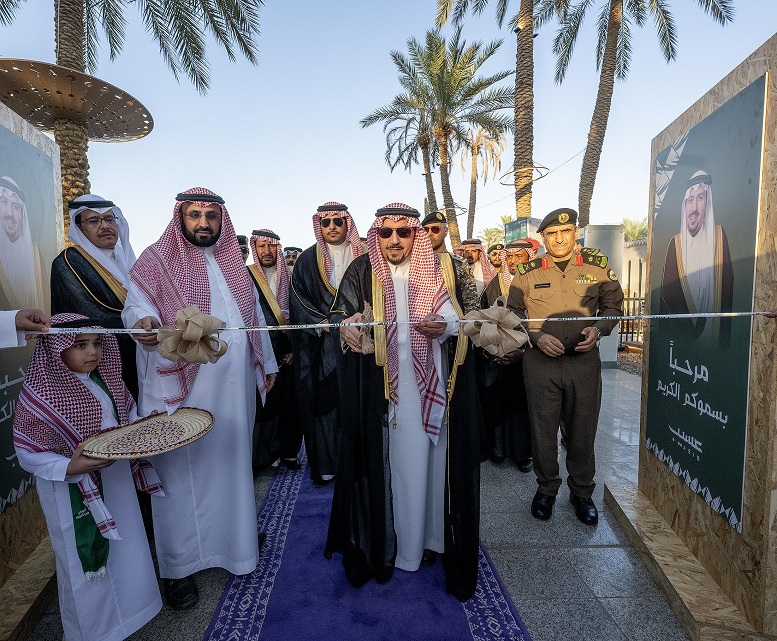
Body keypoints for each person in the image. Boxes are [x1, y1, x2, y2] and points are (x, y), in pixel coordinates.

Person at [122, 187, 278, 610]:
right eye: (194, 215)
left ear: (221, 220)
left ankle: (236, 539)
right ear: (181, 217)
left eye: (210, 215)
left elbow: (254, 318)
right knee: (180, 473)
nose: (203, 222)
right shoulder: (155, 261)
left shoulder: (234, 264)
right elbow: (134, 307)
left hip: (233, 389)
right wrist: (143, 322)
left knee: (230, 460)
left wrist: (267, 364)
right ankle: (178, 568)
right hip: (179, 388)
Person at [325, 203, 481, 603]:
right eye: (385, 233)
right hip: (385, 394)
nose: (394, 239)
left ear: (416, 234)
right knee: (398, 470)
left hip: (432, 387)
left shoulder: (439, 268)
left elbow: (458, 314)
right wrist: (350, 328)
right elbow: (340, 313)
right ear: (375, 236)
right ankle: (400, 549)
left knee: (433, 468)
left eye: (403, 232)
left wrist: (444, 325)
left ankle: (433, 542)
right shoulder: (363, 270)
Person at [12, 314, 163, 641]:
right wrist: (69, 468)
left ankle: (129, 619)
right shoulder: (41, 394)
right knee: (86, 572)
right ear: (56, 348)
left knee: (126, 552)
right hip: (70, 490)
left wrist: (143, 423)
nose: (93, 352)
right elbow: (28, 449)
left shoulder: (106, 381)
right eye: (80, 345)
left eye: (97, 343)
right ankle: (94, 633)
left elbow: (126, 416)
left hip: (116, 481)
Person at [507, 208, 623, 525]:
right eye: (552, 234)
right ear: (544, 238)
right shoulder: (527, 271)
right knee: (542, 431)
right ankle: (546, 489)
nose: (559, 238)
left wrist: (599, 329)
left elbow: (614, 306)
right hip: (540, 364)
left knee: (582, 430)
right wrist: (535, 335)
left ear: (574, 233)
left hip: (583, 364)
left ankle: (582, 493)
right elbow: (513, 313)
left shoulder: (596, 267)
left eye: (565, 232)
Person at [289, 201, 362, 485]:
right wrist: (324, 324)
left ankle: (359, 461)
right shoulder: (307, 259)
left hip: (362, 343)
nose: (332, 227)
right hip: (323, 348)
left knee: (358, 401)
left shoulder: (365, 255)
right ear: (319, 226)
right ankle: (328, 462)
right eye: (326, 222)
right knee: (325, 404)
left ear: (347, 223)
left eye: (338, 221)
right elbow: (297, 298)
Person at [50, 195, 142, 399]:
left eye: (109, 219)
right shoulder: (68, 262)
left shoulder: (126, 260)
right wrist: (139, 325)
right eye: (94, 221)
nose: (105, 226)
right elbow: (87, 314)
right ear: (80, 228)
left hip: (137, 355)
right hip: (97, 361)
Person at [477, 239, 538, 471]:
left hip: (528, 358)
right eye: (509, 257)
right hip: (497, 358)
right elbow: (482, 321)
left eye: (518, 256)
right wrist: (496, 350)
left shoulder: (539, 284)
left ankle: (523, 455)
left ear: (528, 258)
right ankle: (498, 451)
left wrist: (522, 352)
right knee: (496, 404)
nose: (512, 261)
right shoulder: (493, 287)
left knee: (523, 409)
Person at [247, 229, 302, 472]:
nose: (266, 252)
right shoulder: (245, 276)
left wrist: (295, 348)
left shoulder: (291, 278)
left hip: (287, 354)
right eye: (261, 247)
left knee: (290, 406)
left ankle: (289, 453)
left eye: (271, 247)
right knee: (263, 406)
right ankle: (262, 456)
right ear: (255, 249)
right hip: (258, 351)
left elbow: (301, 315)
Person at [660, 170, 733, 345]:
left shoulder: (719, 238)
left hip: (713, 343)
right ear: (684, 205)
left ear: (708, 203)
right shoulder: (675, 245)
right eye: (690, 200)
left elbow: (727, 295)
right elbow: (666, 301)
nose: (694, 209)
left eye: (700, 198)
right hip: (683, 344)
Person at [0, 176, 45, 309]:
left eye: (15, 207)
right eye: (3, 202)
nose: (10, 213)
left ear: (23, 214)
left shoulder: (35, 254)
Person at [422, 211, 479, 315]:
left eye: (435, 229)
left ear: (446, 231)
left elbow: (471, 302)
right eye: (426, 230)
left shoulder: (459, 263)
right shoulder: (416, 263)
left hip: (454, 324)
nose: (429, 233)